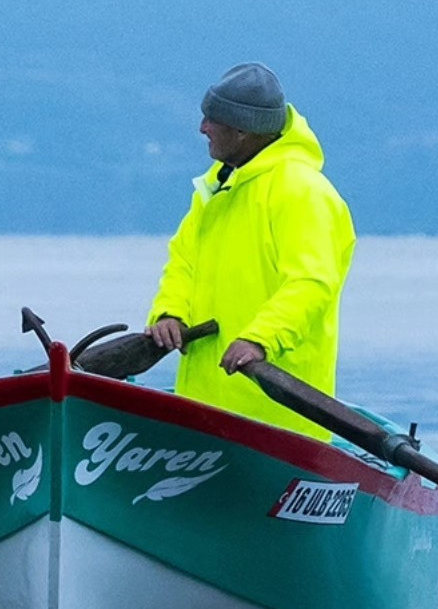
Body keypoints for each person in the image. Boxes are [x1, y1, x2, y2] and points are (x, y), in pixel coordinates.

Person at [145, 63, 355, 440]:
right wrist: (170, 312)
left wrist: (260, 339)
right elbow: (183, 261)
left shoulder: (302, 192)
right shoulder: (215, 189)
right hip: (205, 410)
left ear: (242, 129)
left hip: (280, 421)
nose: (202, 128)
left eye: (212, 119)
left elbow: (311, 283)